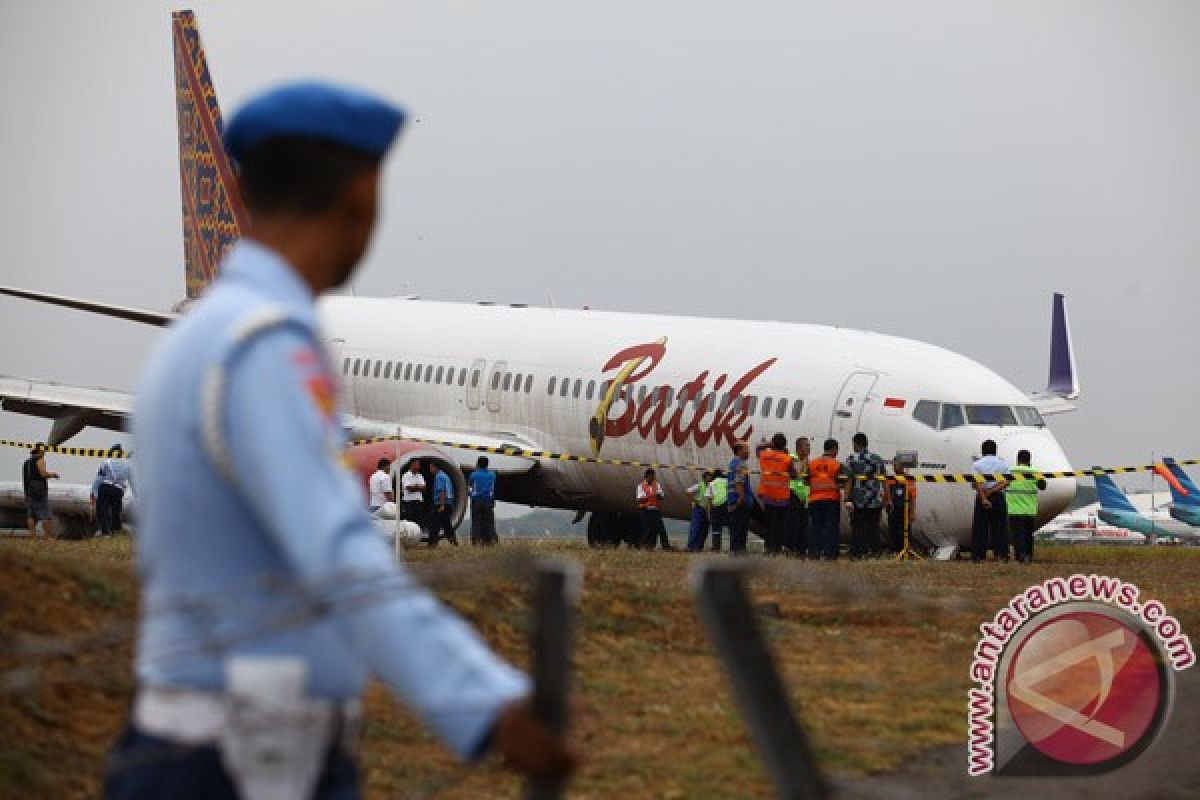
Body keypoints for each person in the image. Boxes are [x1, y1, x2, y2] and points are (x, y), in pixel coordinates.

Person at [104, 82, 573, 800]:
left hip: (198, 729)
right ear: (358, 197)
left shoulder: (202, 333)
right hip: (244, 754)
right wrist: (484, 706)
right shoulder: (268, 348)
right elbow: (337, 551)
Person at [844, 433, 887, 559]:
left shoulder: (852, 459)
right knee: (873, 527)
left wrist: (846, 497)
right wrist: (887, 496)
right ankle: (875, 551)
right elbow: (884, 479)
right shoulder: (877, 458)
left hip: (859, 500)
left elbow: (849, 480)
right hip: (874, 500)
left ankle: (858, 552)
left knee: (858, 527)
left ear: (857, 443)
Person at [757, 433, 796, 556]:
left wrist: (768, 444)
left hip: (768, 495)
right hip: (782, 497)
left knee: (768, 523)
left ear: (773, 443)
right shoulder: (787, 459)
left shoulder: (765, 455)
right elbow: (794, 474)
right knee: (779, 525)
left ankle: (767, 547)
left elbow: (758, 448)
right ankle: (776, 548)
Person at [972, 439, 1011, 562]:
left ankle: (979, 556)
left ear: (982, 451)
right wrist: (992, 492)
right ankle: (1001, 555)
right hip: (998, 497)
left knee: (980, 528)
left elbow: (976, 482)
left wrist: (984, 497)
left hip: (981, 496)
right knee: (1000, 528)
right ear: (995, 451)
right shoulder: (1003, 464)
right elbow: (1006, 482)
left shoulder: (977, 464)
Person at [807, 439, 846, 560]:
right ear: (834, 449)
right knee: (831, 528)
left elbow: (805, 480)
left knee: (815, 527)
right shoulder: (837, 465)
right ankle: (830, 555)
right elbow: (842, 482)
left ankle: (814, 553)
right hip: (831, 500)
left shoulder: (812, 463)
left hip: (814, 500)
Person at [1007, 449, 1046, 563]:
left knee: (1017, 535)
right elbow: (1042, 486)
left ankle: (1021, 556)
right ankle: (1029, 555)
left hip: (1014, 509)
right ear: (1029, 460)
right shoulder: (1035, 472)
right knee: (1028, 535)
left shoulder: (1010, 471)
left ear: (1017, 460)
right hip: (1030, 509)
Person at [90, 444, 134, 536]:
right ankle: (115, 531)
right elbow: (132, 482)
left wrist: (93, 492)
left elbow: (99, 478)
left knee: (102, 509)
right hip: (119, 490)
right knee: (116, 510)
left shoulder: (106, 462)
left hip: (105, 487)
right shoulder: (128, 465)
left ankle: (105, 532)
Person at [22, 443, 57, 539]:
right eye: (44, 450)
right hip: (39, 492)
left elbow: (25, 479)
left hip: (29, 491)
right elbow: (43, 474)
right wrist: (53, 475)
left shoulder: (26, 462)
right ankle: (47, 536)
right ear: (40, 451)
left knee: (31, 516)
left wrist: (26, 492)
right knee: (45, 515)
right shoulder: (40, 460)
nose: (45, 452)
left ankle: (33, 536)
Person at [727, 441, 755, 554]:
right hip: (740, 501)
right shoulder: (741, 464)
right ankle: (740, 551)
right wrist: (741, 498)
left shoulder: (732, 463)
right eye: (746, 449)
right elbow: (739, 482)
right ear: (739, 451)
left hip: (732, 499)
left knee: (734, 528)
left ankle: (734, 551)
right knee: (741, 528)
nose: (748, 452)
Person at [885, 460, 917, 554]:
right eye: (894, 464)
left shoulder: (908, 478)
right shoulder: (890, 478)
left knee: (905, 530)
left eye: (897, 464)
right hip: (893, 509)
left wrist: (912, 512)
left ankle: (907, 549)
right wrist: (886, 503)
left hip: (904, 508)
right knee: (893, 530)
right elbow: (887, 493)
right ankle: (896, 549)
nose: (895, 467)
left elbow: (912, 495)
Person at [787, 437, 811, 557]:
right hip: (793, 493)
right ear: (799, 448)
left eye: (809, 445)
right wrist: (804, 462)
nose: (809, 448)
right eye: (806, 445)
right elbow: (796, 473)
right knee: (794, 524)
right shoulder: (793, 458)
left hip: (804, 496)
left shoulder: (807, 460)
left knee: (804, 525)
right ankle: (792, 548)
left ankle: (802, 550)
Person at [636, 468, 672, 550]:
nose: (652, 478)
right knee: (647, 528)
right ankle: (645, 545)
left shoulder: (657, 484)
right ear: (646, 477)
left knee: (660, 528)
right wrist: (650, 496)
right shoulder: (641, 486)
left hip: (655, 509)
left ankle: (665, 546)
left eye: (653, 476)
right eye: (651, 476)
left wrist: (657, 495)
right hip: (645, 510)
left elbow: (661, 495)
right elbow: (639, 499)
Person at [469, 456, 498, 546]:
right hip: (488, 501)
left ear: (477, 464)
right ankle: (489, 540)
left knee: (476, 522)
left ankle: (476, 540)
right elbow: (492, 488)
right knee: (489, 522)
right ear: (487, 464)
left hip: (476, 501)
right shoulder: (492, 475)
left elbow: (470, 487)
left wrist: (471, 495)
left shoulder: (473, 474)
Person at [428, 462, 458, 547]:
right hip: (448, 503)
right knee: (446, 525)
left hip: (441, 503)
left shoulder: (439, 477)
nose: (430, 470)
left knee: (434, 524)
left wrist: (442, 505)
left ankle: (432, 543)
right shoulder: (445, 476)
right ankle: (453, 542)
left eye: (431, 467)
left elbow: (442, 491)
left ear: (435, 467)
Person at [685, 470, 713, 552]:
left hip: (706, 510)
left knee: (704, 529)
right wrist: (695, 501)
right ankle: (690, 546)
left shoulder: (711, 486)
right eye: (708, 478)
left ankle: (699, 547)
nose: (709, 480)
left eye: (710, 478)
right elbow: (688, 491)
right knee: (696, 528)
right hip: (698, 509)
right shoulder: (699, 485)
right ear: (704, 479)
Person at [400, 459, 428, 531]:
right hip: (409, 503)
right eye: (417, 464)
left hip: (418, 502)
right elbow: (409, 488)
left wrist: (415, 486)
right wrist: (418, 486)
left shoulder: (420, 475)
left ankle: (418, 537)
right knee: (409, 521)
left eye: (419, 464)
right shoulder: (406, 475)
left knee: (419, 520)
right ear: (412, 465)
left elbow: (424, 487)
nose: (419, 466)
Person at [708, 469, 728, 552]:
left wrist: (709, 512)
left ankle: (716, 547)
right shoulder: (726, 481)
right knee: (731, 526)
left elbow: (709, 498)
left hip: (715, 507)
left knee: (716, 528)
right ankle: (733, 547)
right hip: (726, 507)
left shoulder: (712, 483)